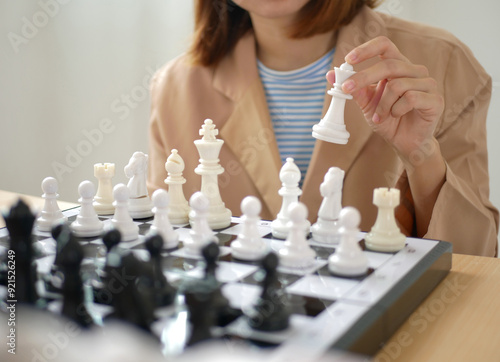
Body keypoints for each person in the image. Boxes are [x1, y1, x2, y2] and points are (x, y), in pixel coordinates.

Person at [147, 0, 498, 256]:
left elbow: (475, 264)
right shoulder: (174, 87)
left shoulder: (444, 62)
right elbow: (164, 249)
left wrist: (422, 157)